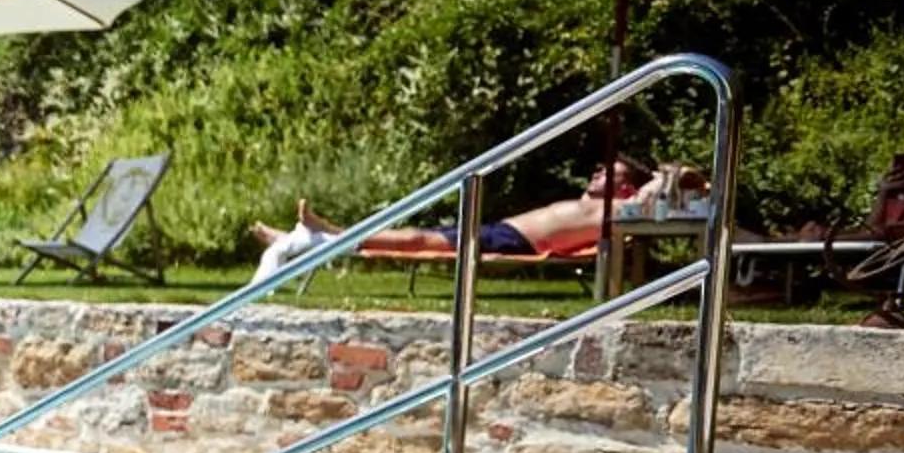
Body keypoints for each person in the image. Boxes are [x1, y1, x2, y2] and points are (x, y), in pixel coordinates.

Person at [254, 158, 655, 261]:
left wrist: (659, 176)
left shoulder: (619, 209)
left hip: (514, 240)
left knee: (416, 239)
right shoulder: (595, 204)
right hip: (503, 230)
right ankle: (305, 239)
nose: (597, 171)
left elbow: (665, 182)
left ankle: (326, 235)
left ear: (626, 187)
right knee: (418, 236)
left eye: (609, 172)